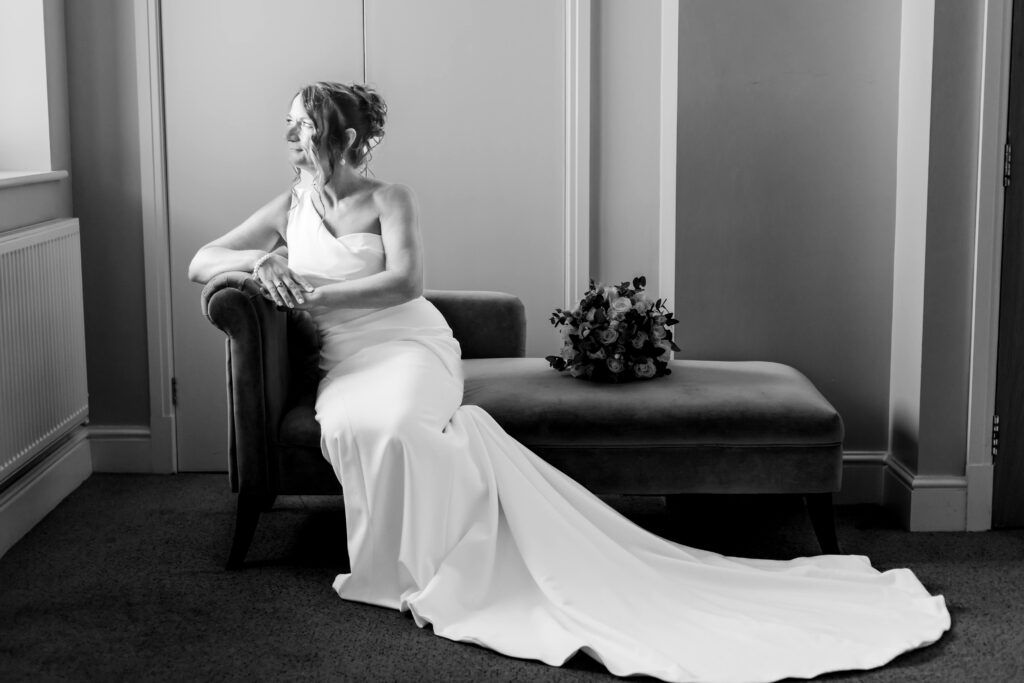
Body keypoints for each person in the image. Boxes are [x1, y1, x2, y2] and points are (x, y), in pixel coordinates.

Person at [189, 81, 950, 682]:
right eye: (290, 126)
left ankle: (438, 564)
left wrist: (310, 292)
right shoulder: (288, 207)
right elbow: (202, 260)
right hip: (347, 363)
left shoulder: (390, 198)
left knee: (394, 424)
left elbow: (404, 283)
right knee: (354, 425)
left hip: (408, 345)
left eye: (302, 125)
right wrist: (261, 261)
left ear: (343, 136)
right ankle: (411, 556)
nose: (290, 138)